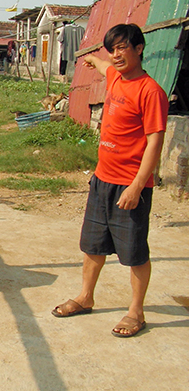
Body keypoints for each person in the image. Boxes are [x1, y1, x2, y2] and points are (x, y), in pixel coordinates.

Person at [51, 23, 169, 338]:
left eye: (122, 48)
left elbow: (155, 142)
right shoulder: (116, 76)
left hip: (130, 186)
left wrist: (136, 185)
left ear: (139, 48)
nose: (116, 55)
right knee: (93, 246)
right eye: (112, 48)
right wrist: (91, 59)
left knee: (134, 253)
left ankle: (136, 312)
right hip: (102, 180)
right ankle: (86, 297)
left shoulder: (151, 91)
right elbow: (103, 66)